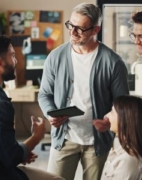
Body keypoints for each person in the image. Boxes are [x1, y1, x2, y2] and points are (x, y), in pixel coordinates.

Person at [38, 3, 129, 180]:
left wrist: (108, 122)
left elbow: (122, 105)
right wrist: (50, 113)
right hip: (64, 138)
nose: (72, 32)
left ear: (96, 29)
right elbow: (44, 94)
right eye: (71, 25)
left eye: (80, 29)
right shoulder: (55, 57)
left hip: (97, 141)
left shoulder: (114, 63)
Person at [0, 35, 64, 180]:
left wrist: (20, 152)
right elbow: (11, 159)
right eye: (12, 56)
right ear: (0, 63)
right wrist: (36, 137)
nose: (16, 61)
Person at [101, 95, 142, 179]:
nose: (107, 116)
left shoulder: (128, 160)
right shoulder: (119, 150)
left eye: (112, 112)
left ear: (125, 118)